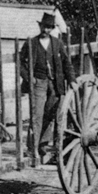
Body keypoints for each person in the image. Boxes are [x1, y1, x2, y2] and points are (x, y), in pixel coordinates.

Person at [14, 11, 71, 167]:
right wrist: (28, 77)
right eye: (44, 27)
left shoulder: (57, 43)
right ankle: (32, 148)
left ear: (52, 29)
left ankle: (43, 145)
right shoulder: (31, 43)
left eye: (49, 28)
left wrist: (71, 80)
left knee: (50, 114)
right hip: (38, 82)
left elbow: (66, 63)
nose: (46, 30)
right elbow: (19, 61)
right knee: (37, 114)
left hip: (54, 84)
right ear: (40, 26)